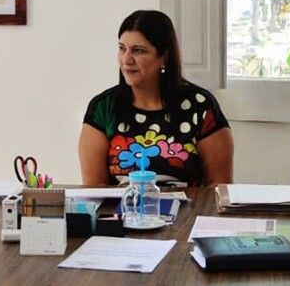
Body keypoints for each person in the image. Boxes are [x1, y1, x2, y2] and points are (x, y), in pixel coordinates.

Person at [79, 10, 234, 187]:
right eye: (122, 48)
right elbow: (94, 188)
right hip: (122, 205)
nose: (126, 60)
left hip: (190, 205)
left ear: (164, 57)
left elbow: (219, 186)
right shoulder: (104, 107)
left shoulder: (200, 106)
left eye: (138, 51)